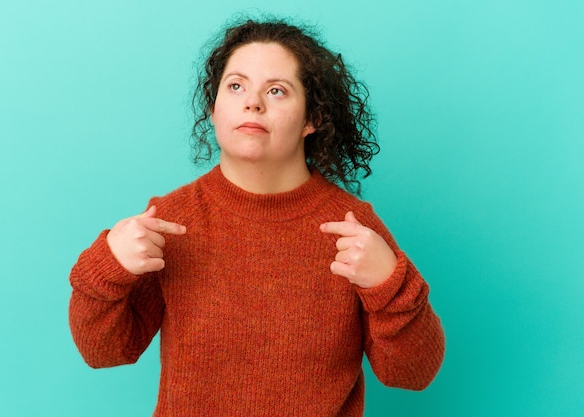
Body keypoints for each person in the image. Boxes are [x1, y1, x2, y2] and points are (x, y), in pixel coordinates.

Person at [69, 17, 445, 416]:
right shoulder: (172, 220)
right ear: (213, 109)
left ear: (312, 119)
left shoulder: (351, 227)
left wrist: (391, 285)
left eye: (277, 91)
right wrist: (106, 267)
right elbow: (105, 352)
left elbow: (412, 374)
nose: (253, 102)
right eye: (236, 86)